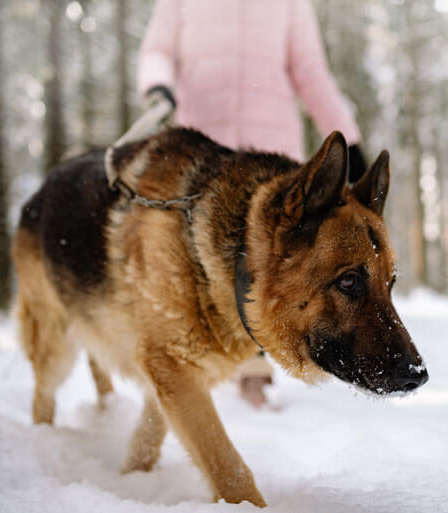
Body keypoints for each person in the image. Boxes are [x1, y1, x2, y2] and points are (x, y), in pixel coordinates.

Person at [137, 0, 367, 407]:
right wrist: (158, 87)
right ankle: (197, 361)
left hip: (271, 153)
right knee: (198, 260)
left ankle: (253, 376)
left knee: (269, 260)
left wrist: (347, 138)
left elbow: (310, 71)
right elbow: (157, 50)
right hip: (205, 149)